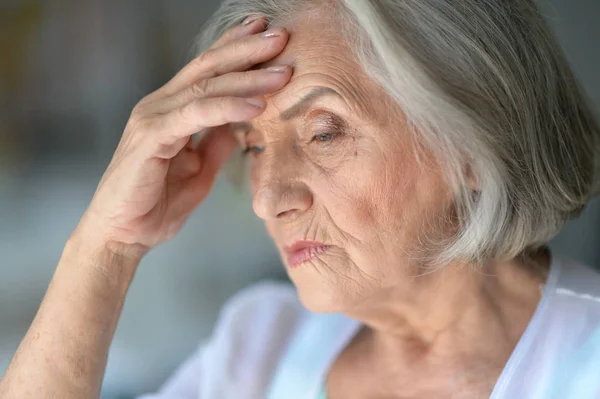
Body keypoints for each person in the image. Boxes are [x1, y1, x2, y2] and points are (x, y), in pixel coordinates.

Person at [2, 0, 600, 398]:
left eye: (324, 131)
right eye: (253, 147)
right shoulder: (262, 346)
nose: (266, 198)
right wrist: (107, 249)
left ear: (471, 142)